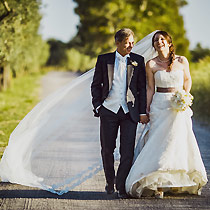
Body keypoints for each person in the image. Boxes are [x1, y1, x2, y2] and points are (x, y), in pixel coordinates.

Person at [125, 30, 208, 198]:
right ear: (154, 45)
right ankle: (158, 184)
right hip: (159, 104)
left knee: (177, 143)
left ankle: (174, 182)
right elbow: (150, 88)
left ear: (169, 43)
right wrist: (146, 108)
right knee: (159, 142)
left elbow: (187, 79)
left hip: (179, 105)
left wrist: (185, 95)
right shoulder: (151, 64)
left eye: (162, 39)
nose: (159, 42)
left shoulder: (182, 60)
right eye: (156, 40)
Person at [91, 28, 149, 198]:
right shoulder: (104, 60)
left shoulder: (138, 60)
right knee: (107, 149)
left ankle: (121, 185)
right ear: (118, 43)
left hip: (129, 112)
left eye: (132, 42)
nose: (131, 46)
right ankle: (110, 180)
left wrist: (141, 111)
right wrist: (98, 106)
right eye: (127, 43)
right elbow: (96, 85)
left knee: (128, 151)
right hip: (108, 110)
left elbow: (141, 89)